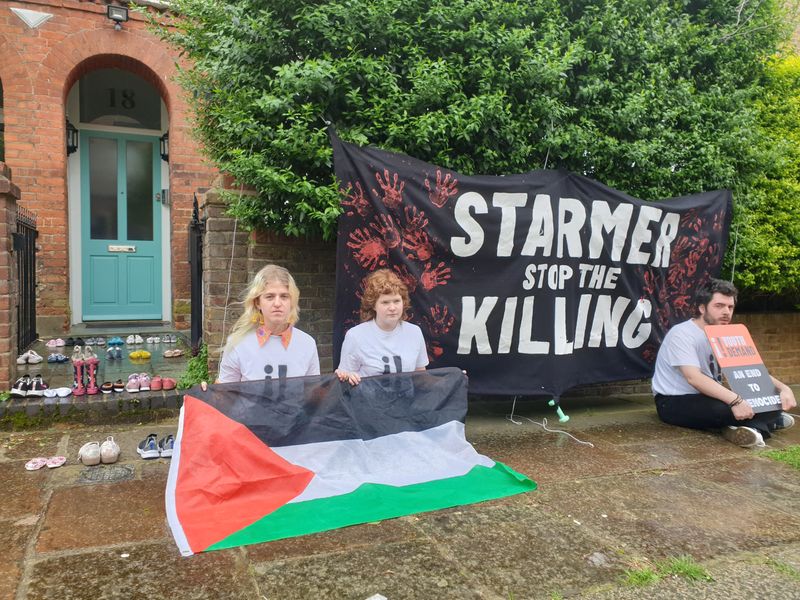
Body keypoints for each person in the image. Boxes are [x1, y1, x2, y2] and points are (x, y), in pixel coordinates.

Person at [652, 278, 796, 447]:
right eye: (719, 306)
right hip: (673, 402)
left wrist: (784, 389)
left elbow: (752, 371)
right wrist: (736, 401)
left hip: (707, 397)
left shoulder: (726, 334)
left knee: (770, 400)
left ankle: (739, 428)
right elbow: (694, 378)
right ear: (702, 308)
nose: (726, 312)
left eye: (730, 307)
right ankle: (763, 425)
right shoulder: (682, 334)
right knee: (728, 408)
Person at [217, 264, 320, 383]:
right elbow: (224, 394)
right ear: (257, 303)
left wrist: (338, 381)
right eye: (269, 297)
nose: (277, 303)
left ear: (292, 301)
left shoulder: (307, 344)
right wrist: (206, 392)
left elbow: (313, 393)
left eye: (284, 296)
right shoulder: (237, 343)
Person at [336, 269, 428, 385]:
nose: (392, 307)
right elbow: (344, 377)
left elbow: (420, 377)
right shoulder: (355, 336)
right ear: (373, 305)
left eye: (396, 301)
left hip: (407, 402)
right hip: (368, 402)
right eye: (385, 302)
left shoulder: (415, 332)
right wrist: (347, 376)